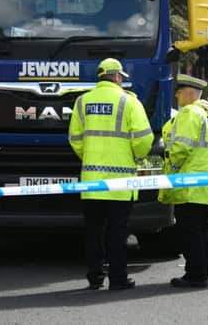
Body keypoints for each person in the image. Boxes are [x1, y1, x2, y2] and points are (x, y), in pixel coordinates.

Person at [68, 58, 153, 291]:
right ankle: (118, 279)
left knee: (94, 231)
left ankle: (94, 277)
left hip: (91, 182)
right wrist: (136, 155)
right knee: (117, 232)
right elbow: (144, 139)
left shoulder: (82, 102)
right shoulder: (129, 102)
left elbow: (75, 139)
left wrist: (91, 157)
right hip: (120, 183)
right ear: (116, 77)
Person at [158, 74, 208, 288]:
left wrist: (171, 172)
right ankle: (200, 272)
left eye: (178, 92)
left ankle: (194, 274)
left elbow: (181, 148)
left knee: (189, 232)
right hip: (205, 183)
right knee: (202, 231)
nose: (176, 96)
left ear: (189, 93)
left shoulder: (189, 112)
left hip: (188, 184)